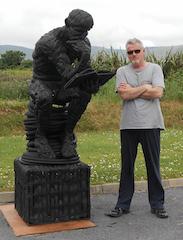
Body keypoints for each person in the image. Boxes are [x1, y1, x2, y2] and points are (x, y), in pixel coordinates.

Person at [106, 38, 168, 218]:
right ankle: (122, 205)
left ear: (143, 51)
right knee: (127, 167)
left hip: (151, 124)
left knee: (153, 166)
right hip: (128, 125)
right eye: (130, 52)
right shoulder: (122, 71)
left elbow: (158, 93)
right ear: (127, 54)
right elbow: (124, 95)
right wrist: (145, 87)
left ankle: (158, 204)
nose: (133, 55)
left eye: (136, 51)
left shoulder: (155, 69)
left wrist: (134, 89)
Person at [29, 9, 100, 159]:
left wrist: (92, 83)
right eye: (79, 31)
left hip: (62, 85)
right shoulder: (50, 42)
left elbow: (85, 71)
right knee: (44, 97)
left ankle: (67, 134)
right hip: (42, 81)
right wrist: (85, 55)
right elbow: (67, 73)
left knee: (84, 93)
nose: (83, 36)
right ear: (67, 24)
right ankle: (40, 137)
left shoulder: (83, 43)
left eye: (86, 32)